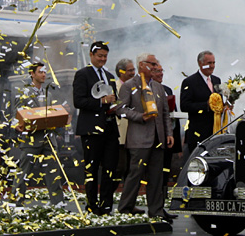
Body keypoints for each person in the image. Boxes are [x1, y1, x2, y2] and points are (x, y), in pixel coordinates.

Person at [116, 53, 175, 221]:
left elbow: (165, 113)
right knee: (135, 174)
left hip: (158, 138)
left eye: (157, 64)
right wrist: (140, 117)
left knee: (156, 175)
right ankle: (126, 207)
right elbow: (121, 109)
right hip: (139, 138)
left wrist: (169, 134)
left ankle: (156, 210)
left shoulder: (158, 87)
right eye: (153, 64)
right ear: (142, 65)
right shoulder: (129, 85)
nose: (156, 67)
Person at [72, 41, 120, 215]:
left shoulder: (109, 75)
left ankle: (107, 204)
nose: (102, 59)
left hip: (110, 127)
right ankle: (92, 204)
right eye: (99, 56)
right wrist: (101, 101)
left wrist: (116, 105)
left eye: (105, 56)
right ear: (92, 56)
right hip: (91, 129)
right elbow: (78, 101)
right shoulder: (82, 74)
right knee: (92, 168)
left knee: (110, 167)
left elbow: (114, 99)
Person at [12, 61, 64, 204]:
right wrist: (17, 124)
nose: (43, 74)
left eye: (44, 72)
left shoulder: (48, 93)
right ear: (32, 74)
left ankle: (57, 202)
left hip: (48, 137)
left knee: (53, 170)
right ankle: (17, 201)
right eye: (40, 72)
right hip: (31, 138)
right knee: (24, 170)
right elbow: (17, 114)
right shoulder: (24, 92)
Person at [180, 50, 223, 156]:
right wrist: (206, 106)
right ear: (200, 63)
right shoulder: (190, 82)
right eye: (209, 63)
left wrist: (226, 106)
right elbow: (184, 106)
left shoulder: (217, 80)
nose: (212, 66)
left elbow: (219, 102)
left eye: (214, 63)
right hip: (197, 133)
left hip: (215, 131)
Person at [114, 58, 136, 184]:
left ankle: (128, 200)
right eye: (130, 70)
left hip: (135, 134)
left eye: (134, 70)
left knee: (132, 168)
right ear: (121, 72)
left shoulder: (137, 87)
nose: (133, 73)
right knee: (120, 167)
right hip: (121, 134)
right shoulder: (115, 87)